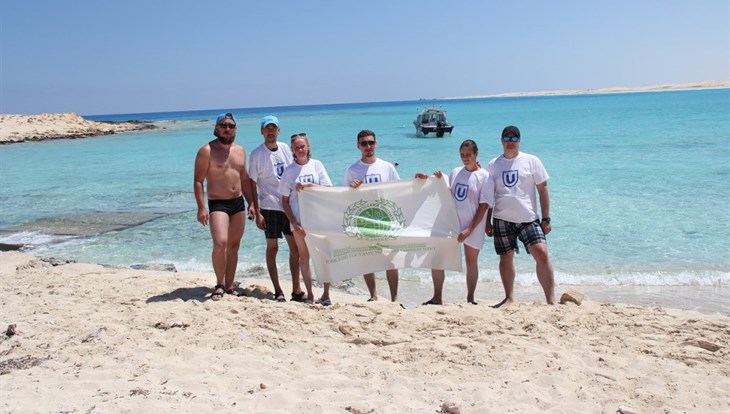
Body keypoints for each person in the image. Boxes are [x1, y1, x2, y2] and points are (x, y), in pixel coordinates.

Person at [485, 125, 556, 307]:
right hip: (502, 219)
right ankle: (509, 297)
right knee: (505, 258)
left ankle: (550, 300)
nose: (510, 142)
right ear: (502, 141)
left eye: (514, 138)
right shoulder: (493, 165)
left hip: (529, 218)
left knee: (541, 253)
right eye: (507, 138)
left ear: (519, 141)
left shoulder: (531, 161)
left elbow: (543, 189)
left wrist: (546, 218)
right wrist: (487, 221)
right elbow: (488, 195)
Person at [416, 139, 492, 305]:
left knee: (471, 262)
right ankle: (437, 297)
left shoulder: (484, 176)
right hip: (451, 224)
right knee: (437, 258)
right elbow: (444, 190)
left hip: (473, 226)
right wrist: (426, 179)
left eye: (469, 155)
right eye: (462, 155)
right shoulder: (456, 172)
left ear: (476, 154)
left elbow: (485, 205)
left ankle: (470, 299)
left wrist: (470, 229)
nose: (465, 158)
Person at [193, 112, 254, 300]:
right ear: (216, 128)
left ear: (235, 129)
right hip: (218, 203)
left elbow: (244, 179)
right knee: (220, 243)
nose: (227, 129)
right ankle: (219, 283)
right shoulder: (206, 151)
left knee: (234, 246)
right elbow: (198, 181)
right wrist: (201, 207)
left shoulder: (241, 150)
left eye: (231, 126)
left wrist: (252, 203)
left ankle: (229, 285)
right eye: (224, 125)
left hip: (238, 203)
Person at [248, 115, 303, 302]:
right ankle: (278, 290)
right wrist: (256, 211)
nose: (270, 131)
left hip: (288, 205)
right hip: (269, 206)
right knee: (272, 248)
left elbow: (295, 170)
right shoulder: (256, 154)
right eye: (267, 128)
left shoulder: (286, 148)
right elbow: (251, 182)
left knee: (295, 247)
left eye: (274, 128)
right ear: (262, 131)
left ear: (278, 131)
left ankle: (296, 289)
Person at [343, 130, 401, 302]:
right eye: (364, 143)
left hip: (386, 218)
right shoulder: (352, 170)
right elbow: (343, 197)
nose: (368, 146)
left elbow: (400, 189)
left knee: (391, 260)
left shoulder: (387, 167)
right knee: (367, 259)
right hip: (364, 219)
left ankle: (395, 299)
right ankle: (373, 295)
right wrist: (352, 189)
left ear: (375, 143)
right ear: (358, 146)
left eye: (370, 142)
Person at [278, 133, 333, 305]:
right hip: (299, 222)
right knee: (303, 258)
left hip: (319, 220)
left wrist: (309, 186)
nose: (300, 150)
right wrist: (293, 223)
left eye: (302, 146)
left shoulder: (317, 165)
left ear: (308, 147)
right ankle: (310, 294)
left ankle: (326, 294)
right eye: (296, 147)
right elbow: (284, 201)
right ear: (292, 150)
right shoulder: (289, 171)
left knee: (324, 257)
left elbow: (328, 189)